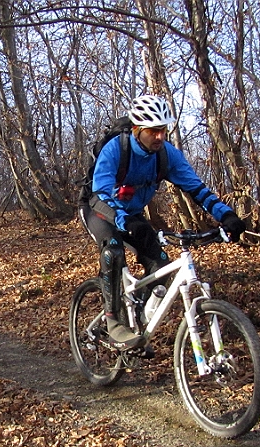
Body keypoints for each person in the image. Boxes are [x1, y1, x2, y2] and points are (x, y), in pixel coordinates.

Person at [81, 95, 246, 350]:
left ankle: (137, 323)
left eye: (163, 130)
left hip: (132, 215)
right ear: (137, 129)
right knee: (113, 250)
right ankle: (114, 324)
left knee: (160, 264)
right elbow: (101, 193)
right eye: (153, 131)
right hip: (99, 210)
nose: (159, 137)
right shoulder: (115, 149)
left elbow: (197, 189)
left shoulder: (166, 155)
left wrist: (226, 215)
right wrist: (125, 221)